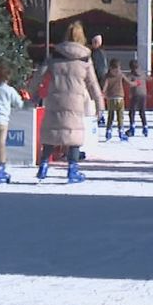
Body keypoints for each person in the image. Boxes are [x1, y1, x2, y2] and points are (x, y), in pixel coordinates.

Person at [36, 21, 104, 184]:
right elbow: (93, 83)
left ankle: (44, 165)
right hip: (75, 101)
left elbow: (39, 75)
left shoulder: (55, 55)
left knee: (52, 132)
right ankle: (72, 170)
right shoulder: (85, 58)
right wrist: (100, 104)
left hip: (55, 99)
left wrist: (31, 93)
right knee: (74, 136)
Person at [101, 59, 128, 141]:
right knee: (120, 117)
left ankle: (108, 131)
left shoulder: (107, 76)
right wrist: (136, 83)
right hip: (120, 97)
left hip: (111, 98)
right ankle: (121, 132)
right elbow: (128, 81)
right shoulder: (120, 74)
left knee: (110, 116)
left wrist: (103, 94)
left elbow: (105, 86)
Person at [125, 59, 149, 138]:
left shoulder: (131, 74)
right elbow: (149, 78)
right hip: (143, 94)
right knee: (142, 112)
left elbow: (129, 82)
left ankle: (132, 128)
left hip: (135, 94)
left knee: (132, 112)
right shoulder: (142, 73)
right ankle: (145, 127)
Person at [90, 35, 108, 127]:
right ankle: (101, 116)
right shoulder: (103, 53)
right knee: (99, 98)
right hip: (103, 78)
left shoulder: (94, 53)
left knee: (95, 98)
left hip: (97, 78)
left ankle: (98, 116)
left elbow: (95, 67)